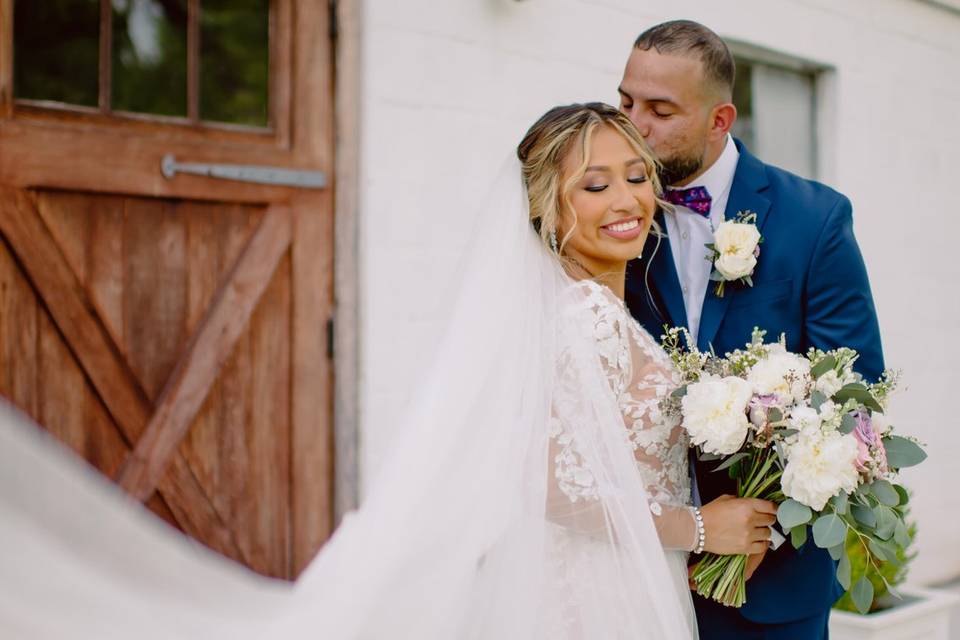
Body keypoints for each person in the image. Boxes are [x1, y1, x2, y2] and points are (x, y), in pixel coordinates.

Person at [0, 102, 772, 639]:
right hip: (590, 597)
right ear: (547, 209)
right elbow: (546, 487)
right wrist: (704, 528)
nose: (627, 200)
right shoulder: (582, 321)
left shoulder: (590, 309)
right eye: (593, 185)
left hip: (618, 580)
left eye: (634, 175)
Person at [618, 20, 885, 639]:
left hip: (769, 581)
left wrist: (755, 526)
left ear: (720, 120)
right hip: (636, 566)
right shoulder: (610, 214)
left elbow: (855, 396)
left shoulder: (815, 218)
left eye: (660, 110)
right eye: (626, 102)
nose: (635, 125)